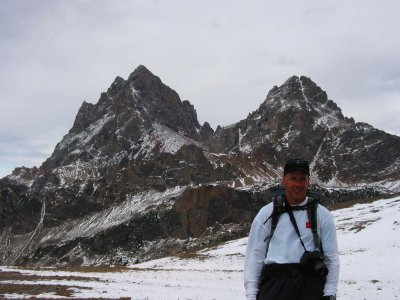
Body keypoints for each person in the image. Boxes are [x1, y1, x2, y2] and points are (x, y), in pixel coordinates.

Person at [244, 158, 339, 300]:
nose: (298, 184)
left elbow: (331, 258)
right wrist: (251, 294)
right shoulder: (266, 214)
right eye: (293, 178)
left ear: (308, 181)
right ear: (284, 180)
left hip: (310, 287)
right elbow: (255, 256)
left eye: (302, 179)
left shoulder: (322, 215)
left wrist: (330, 292)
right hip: (275, 287)